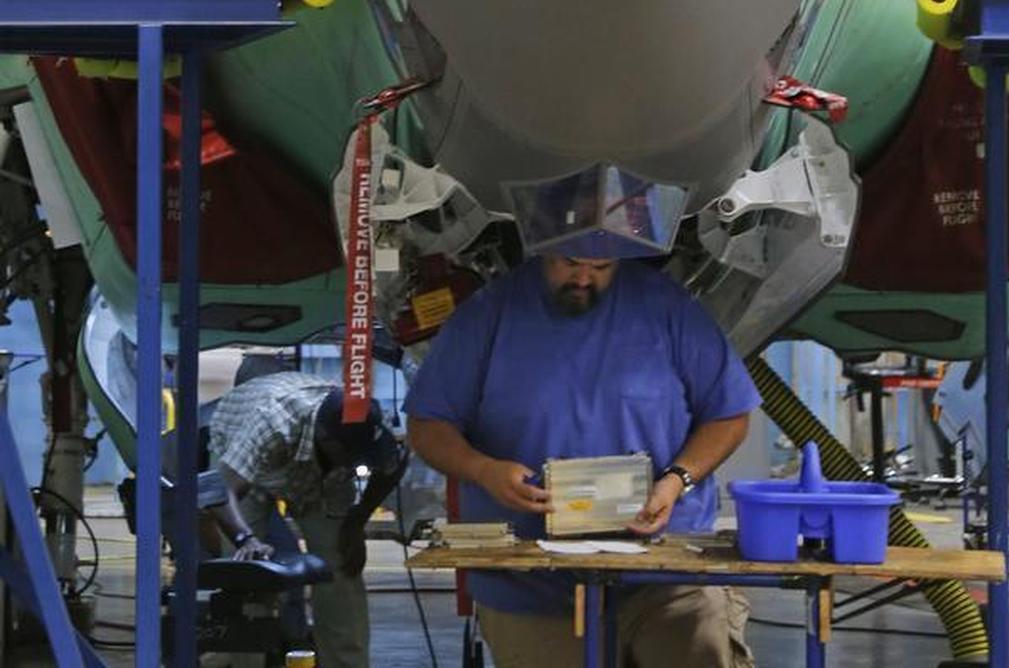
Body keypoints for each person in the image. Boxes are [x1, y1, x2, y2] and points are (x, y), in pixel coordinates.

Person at [406, 248, 760, 667]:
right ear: (542, 248)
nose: (584, 279)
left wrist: (676, 480)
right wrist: (483, 471)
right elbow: (428, 425)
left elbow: (729, 414)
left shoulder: (669, 309)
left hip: (666, 571)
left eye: (601, 266)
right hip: (529, 580)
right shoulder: (488, 315)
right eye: (570, 263)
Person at [208, 372, 403, 668]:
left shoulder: (368, 424)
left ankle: (346, 663)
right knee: (246, 574)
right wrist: (245, 539)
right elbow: (223, 491)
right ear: (327, 439)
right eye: (351, 457)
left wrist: (356, 521)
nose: (355, 464)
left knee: (342, 566)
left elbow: (392, 467)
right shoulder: (273, 419)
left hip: (320, 477)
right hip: (242, 467)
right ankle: (241, 660)